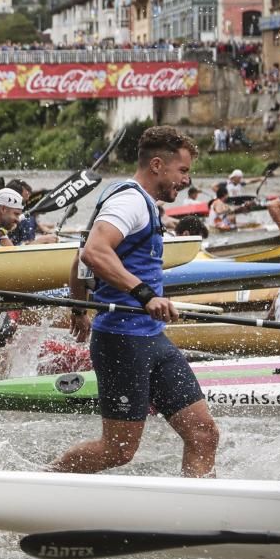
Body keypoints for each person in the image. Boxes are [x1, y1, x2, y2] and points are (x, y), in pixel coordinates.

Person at [50, 126, 218, 477]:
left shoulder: (139, 202)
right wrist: (144, 294)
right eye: (183, 171)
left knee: (203, 434)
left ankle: (196, 517)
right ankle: (46, 483)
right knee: (118, 450)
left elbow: (81, 256)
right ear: (157, 165)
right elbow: (95, 252)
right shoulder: (129, 201)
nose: (186, 180)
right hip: (122, 342)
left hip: (152, 339)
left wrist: (79, 308)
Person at [6, 179, 58, 245]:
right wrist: (42, 240)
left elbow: (43, 229)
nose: (27, 203)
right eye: (24, 202)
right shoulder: (27, 220)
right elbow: (26, 249)